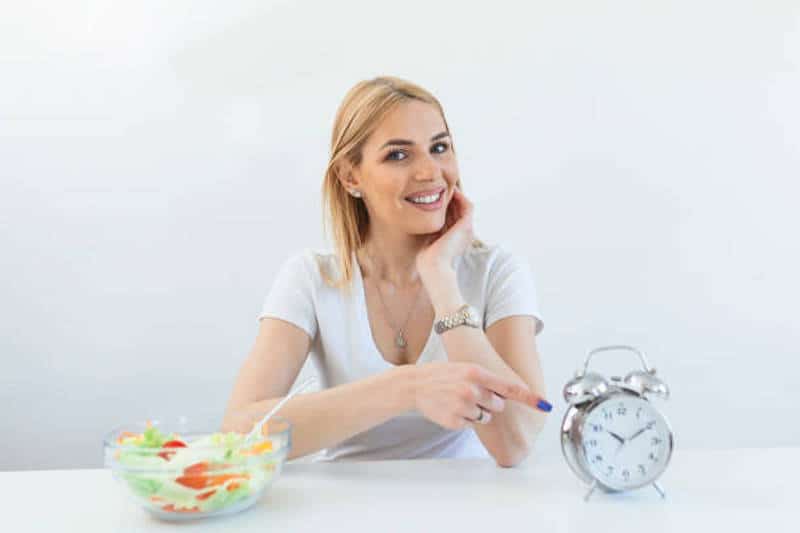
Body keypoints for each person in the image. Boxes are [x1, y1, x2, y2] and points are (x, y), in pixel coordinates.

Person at [222, 76, 551, 467]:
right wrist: (406, 387)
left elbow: (514, 443)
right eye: (398, 155)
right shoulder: (312, 277)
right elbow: (239, 437)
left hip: (468, 506)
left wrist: (441, 278)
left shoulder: (498, 272)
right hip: (344, 509)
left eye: (439, 147)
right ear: (350, 176)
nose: (431, 171)